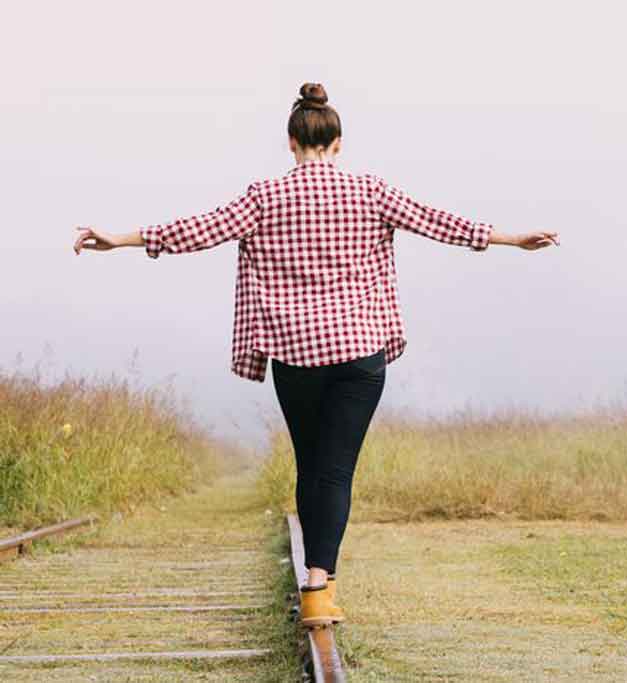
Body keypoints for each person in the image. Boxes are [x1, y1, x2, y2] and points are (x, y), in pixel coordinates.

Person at [72, 82, 560, 627]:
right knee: (335, 471)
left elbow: (195, 231)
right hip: (359, 353)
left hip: (295, 355)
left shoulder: (264, 196)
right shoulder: (370, 191)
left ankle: (316, 584)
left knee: (311, 466)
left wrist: (118, 239)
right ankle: (318, 588)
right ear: (338, 143)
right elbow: (440, 222)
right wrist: (512, 238)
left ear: (290, 142)